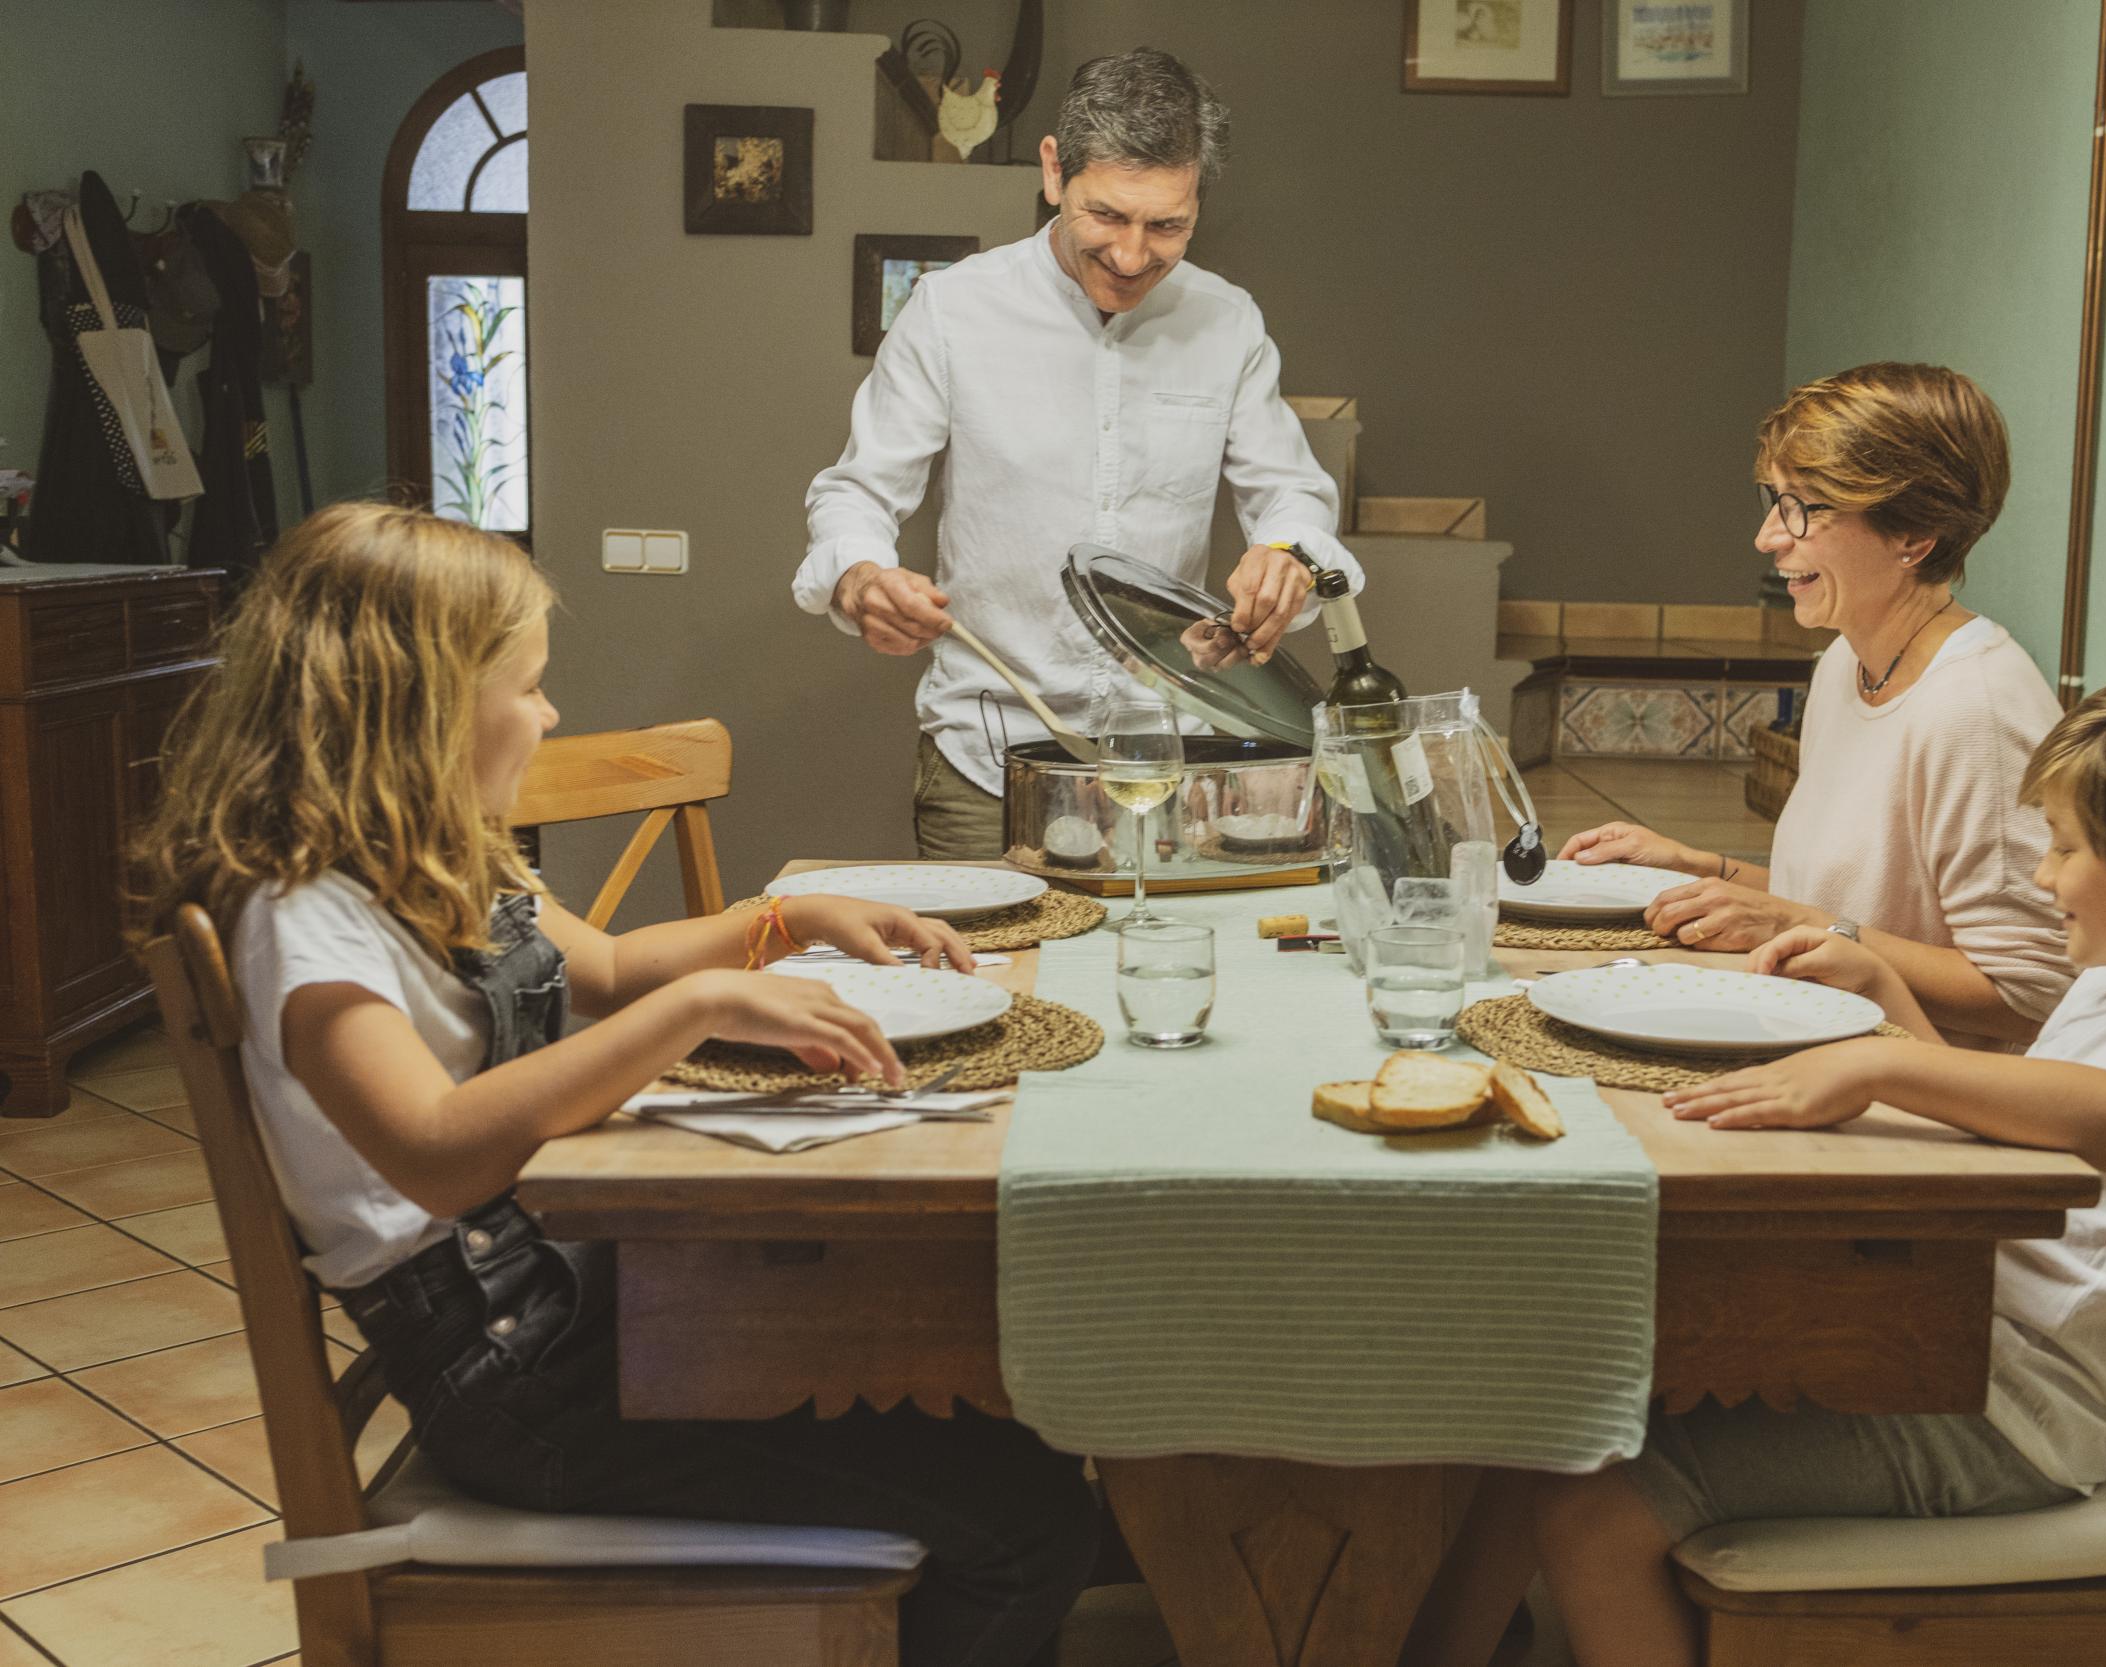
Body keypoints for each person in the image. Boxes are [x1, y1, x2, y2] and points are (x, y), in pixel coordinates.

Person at [138, 504, 1097, 1667]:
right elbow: (435, 1147)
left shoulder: (435, 851)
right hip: (511, 1373)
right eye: (530, 688)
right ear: (424, 706)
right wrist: (694, 1009)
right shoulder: (307, 919)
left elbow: (603, 966)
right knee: (1022, 1520)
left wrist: (785, 920)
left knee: (1007, 1409)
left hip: (566, 1298)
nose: (549, 715)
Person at [1504, 666, 2106, 1667]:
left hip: (2014, 1413)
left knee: (1585, 1501)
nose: (2043, 878)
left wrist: (1883, 1059)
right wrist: (1882, 988)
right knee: (1564, 1385)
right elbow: (2015, 1130)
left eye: (2064, 850)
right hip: (1936, 1334)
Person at [795, 47, 1361, 860]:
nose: (1133, 257)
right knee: (986, 985)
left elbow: (1293, 497)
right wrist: (858, 576)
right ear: (1055, 171)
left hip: (1168, 758)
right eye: (1107, 216)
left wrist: (1288, 556)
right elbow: (857, 491)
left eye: (1167, 224)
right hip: (986, 759)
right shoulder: (953, 310)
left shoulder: (1227, 321)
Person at [1559, 363, 2070, 1045]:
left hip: (1926, 1111)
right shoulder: (1845, 662)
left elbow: (2031, 996)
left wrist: (1796, 925)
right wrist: (1694, 865)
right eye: (1775, 500)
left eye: (1806, 507)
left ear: (1914, 537)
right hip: (1819, 1047)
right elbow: (1848, 909)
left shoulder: (1976, 709)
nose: (1769, 536)